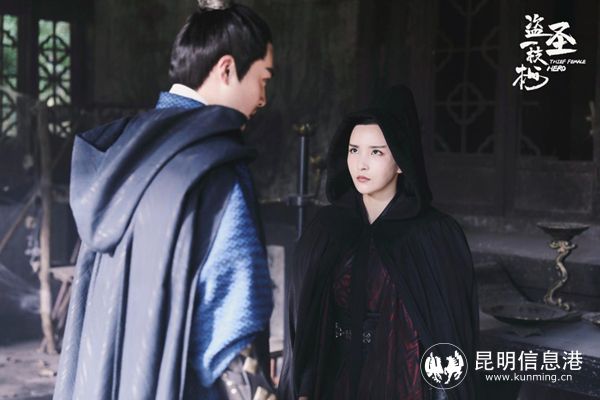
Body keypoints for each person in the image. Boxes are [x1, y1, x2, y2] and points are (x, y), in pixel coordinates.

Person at [53, 2, 276, 399]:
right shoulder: (212, 166)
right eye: (263, 78)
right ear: (226, 69)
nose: (263, 97)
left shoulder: (121, 152)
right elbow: (232, 320)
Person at [278, 85, 479, 400]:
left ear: (401, 161)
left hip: (403, 382)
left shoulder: (434, 234)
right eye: (353, 150)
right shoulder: (326, 228)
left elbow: (448, 336)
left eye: (376, 152)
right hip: (332, 379)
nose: (361, 163)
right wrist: (302, 387)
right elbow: (302, 322)